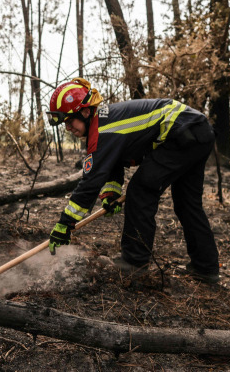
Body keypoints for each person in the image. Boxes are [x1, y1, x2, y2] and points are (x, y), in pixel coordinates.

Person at [46, 78, 220, 282]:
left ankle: (134, 262)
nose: (67, 128)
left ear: (85, 112)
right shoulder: (105, 123)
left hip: (182, 133)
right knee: (187, 204)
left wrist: (65, 224)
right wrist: (111, 193)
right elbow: (114, 163)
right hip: (196, 131)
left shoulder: (103, 130)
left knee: (141, 190)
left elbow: (90, 183)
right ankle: (205, 267)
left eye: (69, 120)